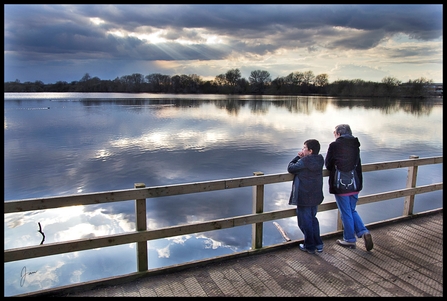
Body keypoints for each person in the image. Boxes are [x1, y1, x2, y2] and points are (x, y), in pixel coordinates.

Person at [325, 124, 373, 251]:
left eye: (334, 133)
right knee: (351, 210)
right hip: (355, 183)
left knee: (346, 212)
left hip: (341, 185)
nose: (334, 135)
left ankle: (349, 240)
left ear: (339, 133)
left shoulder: (334, 145)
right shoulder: (355, 145)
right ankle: (363, 232)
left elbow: (328, 165)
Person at [287, 139, 324, 254]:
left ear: (310, 151)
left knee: (304, 222)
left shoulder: (305, 161)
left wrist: (298, 157)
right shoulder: (320, 159)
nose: (302, 150)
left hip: (304, 195)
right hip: (316, 194)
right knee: (313, 219)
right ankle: (318, 244)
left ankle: (309, 246)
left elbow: (290, 168)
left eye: (304, 148)